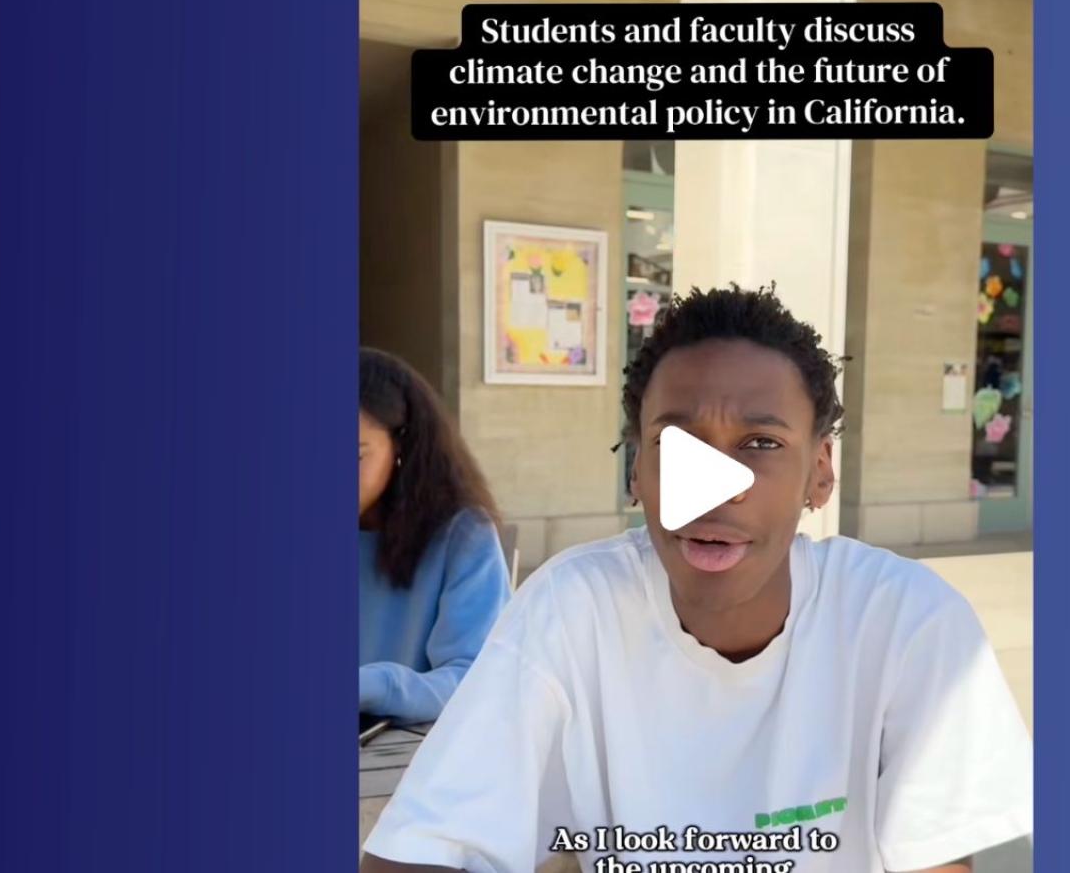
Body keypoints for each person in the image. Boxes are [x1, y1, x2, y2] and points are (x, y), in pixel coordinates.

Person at [362, 287, 1032, 872]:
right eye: (676, 444)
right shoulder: (574, 610)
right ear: (636, 471)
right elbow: (422, 847)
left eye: (761, 443)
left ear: (820, 471)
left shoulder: (907, 624)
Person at [359, 347, 510, 725]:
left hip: (402, 761)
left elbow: (478, 677)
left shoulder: (462, 538)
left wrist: (377, 686)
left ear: (402, 449)